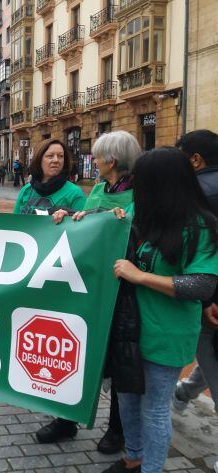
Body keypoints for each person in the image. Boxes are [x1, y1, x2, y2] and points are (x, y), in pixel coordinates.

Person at [102, 147, 218, 473]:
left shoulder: (200, 227)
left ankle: (151, 468)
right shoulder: (146, 215)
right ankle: (133, 458)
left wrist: (140, 276)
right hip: (131, 329)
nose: (136, 187)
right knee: (126, 397)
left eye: (143, 182)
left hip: (166, 333)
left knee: (153, 408)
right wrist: (74, 220)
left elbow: (200, 285)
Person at [46, 131, 142, 454]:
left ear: (110, 161)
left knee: (116, 362)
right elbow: (83, 226)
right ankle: (66, 419)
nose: (95, 162)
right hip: (89, 286)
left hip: (121, 293)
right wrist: (69, 219)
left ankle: (117, 430)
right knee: (79, 354)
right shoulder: (99, 189)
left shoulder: (138, 197)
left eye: (98, 157)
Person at [172, 129, 218, 414]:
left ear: (195, 160)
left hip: (209, 296)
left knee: (210, 351)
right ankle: (185, 392)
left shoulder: (197, 193)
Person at [13, 139, 86, 215]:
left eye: (60, 156)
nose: (56, 160)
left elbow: (82, 225)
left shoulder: (75, 193)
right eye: (50, 156)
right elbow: (14, 223)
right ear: (39, 160)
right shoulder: (26, 190)